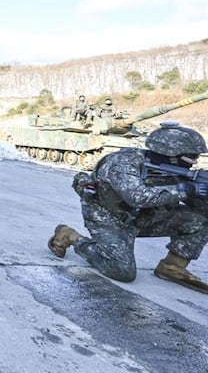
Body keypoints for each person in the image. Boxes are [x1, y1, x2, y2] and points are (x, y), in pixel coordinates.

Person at [48, 122, 208, 294]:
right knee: (122, 272)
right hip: (108, 217)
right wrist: (185, 189)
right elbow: (137, 197)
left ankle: (172, 267)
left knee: (200, 221)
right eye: (192, 156)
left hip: (142, 217)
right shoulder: (122, 163)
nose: (195, 161)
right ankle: (71, 236)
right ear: (172, 154)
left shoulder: (177, 170)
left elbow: (196, 206)